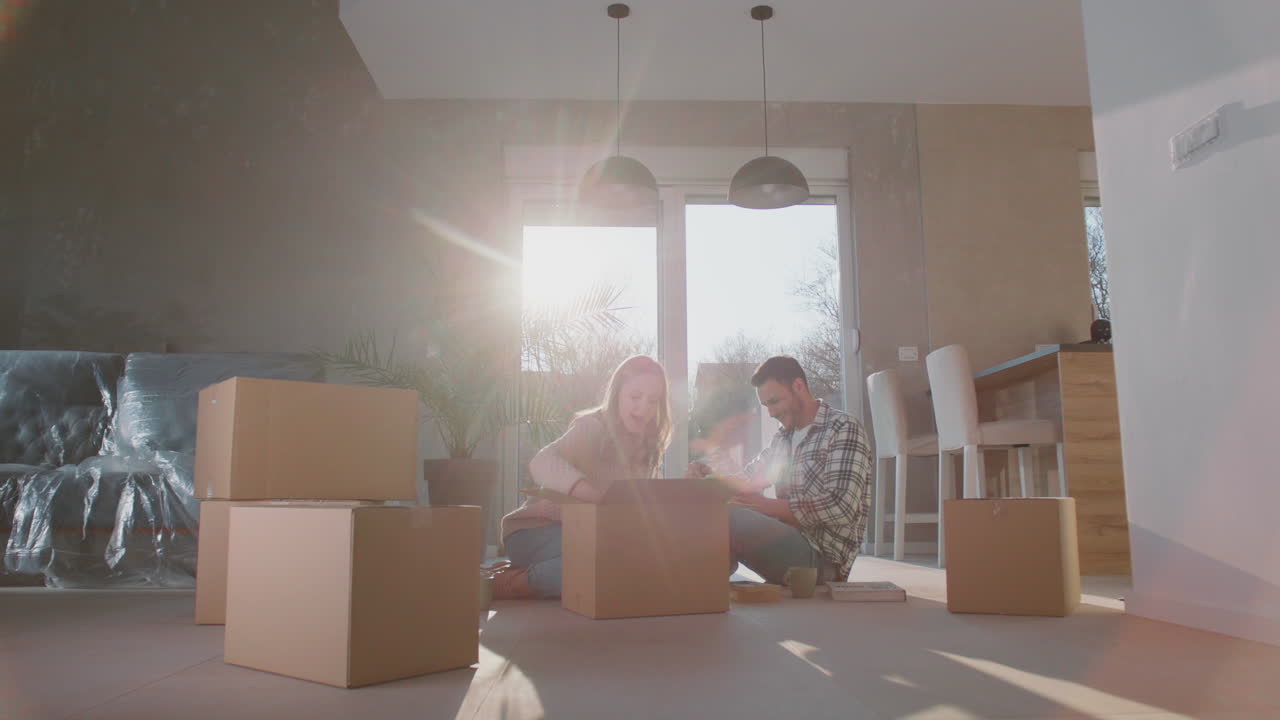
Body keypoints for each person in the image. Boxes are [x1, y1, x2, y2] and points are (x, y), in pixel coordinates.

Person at [491, 355, 673, 599]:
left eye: (653, 401)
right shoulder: (592, 426)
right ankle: (515, 581)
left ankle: (543, 570)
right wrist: (590, 494)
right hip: (532, 531)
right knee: (603, 561)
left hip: (592, 535)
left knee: (632, 560)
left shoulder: (647, 445)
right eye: (635, 397)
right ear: (618, 393)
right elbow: (540, 462)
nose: (644, 408)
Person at [688, 356, 871, 586]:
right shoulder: (783, 438)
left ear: (798, 387)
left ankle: (696, 590)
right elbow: (747, 479)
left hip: (822, 563)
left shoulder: (843, 428)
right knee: (712, 513)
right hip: (788, 543)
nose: (771, 413)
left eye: (774, 402)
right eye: (766, 406)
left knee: (731, 519)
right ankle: (697, 590)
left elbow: (840, 507)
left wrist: (764, 505)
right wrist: (709, 476)